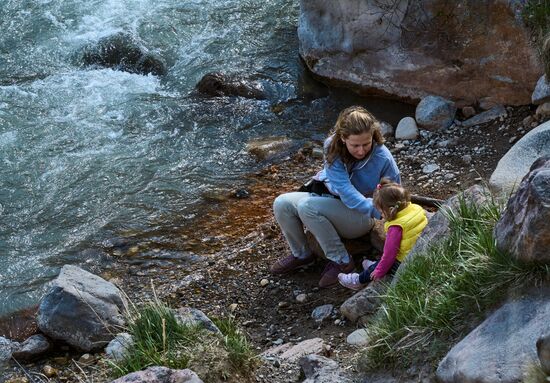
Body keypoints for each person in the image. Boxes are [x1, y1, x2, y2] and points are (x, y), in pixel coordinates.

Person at [270, 106, 400, 288]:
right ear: (343, 138)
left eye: (366, 143)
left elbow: (394, 191)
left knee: (308, 206)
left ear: (373, 136)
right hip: (332, 200)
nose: (361, 151)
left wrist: (379, 211)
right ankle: (302, 254)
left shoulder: (383, 157)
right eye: (355, 145)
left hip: (362, 215)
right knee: (282, 202)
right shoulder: (332, 147)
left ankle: (342, 262)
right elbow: (343, 188)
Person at [338, 178, 428, 290]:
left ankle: (358, 280)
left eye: (381, 212)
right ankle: (376, 265)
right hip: (420, 252)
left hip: (405, 262)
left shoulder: (396, 227)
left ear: (390, 210)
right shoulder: (416, 208)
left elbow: (390, 254)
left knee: (381, 265)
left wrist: (379, 270)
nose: (381, 215)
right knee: (384, 261)